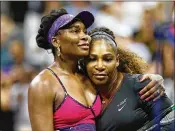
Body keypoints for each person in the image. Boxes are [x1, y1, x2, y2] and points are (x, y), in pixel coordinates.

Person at [28, 9, 165, 131]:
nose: (85, 36)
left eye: (85, 31)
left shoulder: (89, 75)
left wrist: (153, 79)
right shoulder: (43, 84)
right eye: (75, 31)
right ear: (56, 41)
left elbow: (120, 83)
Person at [84, 27, 174, 131]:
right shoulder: (80, 92)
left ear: (117, 60)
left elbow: (171, 122)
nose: (100, 66)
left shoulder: (143, 85)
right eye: (92, 59)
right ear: (84, 62)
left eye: (107, 59)